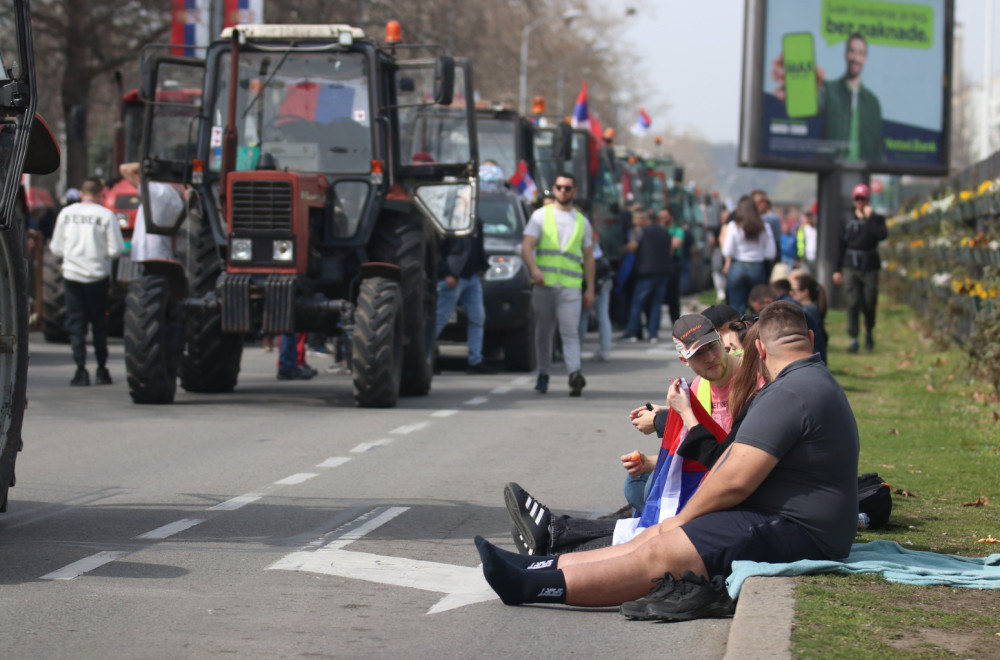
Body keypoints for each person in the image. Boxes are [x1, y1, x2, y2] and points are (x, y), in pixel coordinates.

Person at [475, 301, 859, 620]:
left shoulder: (788, 393)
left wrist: (685, 518)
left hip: (799, 530)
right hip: (796, 522)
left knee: (664, 551)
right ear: (809, 339)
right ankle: (532, 567)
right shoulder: (809, 381)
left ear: (759, 350)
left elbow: (734, 478)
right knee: (656, 535)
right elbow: (731, 466)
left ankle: (530, 585)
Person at [506, 313, 742, 556]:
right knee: (639, 488)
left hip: (732, 487)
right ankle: (555, 536)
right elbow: (705, 449)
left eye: (713, 347)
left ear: (721, 341)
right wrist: (660, 441)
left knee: (658, 517)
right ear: (685, 360)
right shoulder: (698, 386)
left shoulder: (750, 378)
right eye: (699, 354)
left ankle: (554, 540)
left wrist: (680, 414)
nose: (711, 358)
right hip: (713, 478)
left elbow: (723, 459)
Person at [522, 172, 595, 396]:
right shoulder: (540, 216)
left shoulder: (582, 221)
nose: (563, 191)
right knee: (543, 333)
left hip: (570, 286)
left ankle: (575, 374)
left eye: (567, 188)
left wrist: (590, 288)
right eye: (559, 187)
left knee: (569, 332)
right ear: (554, 189)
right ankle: (543, 373)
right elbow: (526, 247)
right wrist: (534, 269)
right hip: (544, 285)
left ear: (574, 191)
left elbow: (589, 257)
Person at [49, 177, 125, 386]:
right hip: (97, 276)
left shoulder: (66, 214)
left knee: (76, 322)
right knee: (99, 323)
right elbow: (116, 249)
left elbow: (56, 248)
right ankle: (102, 369)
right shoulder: (106, 215)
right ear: (101, 194)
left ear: (82, 193)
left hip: (72, 275)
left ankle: (80, 369)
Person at [435, 207, 492, 374]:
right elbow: (437, 250)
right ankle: (425, 356)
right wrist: (445, 274)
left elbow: (478, 248)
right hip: (454, 278)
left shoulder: (476, 220)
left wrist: (481, 266)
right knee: (440, 317)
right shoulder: (448, 219)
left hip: (472, 277)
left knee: (477, 318)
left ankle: (475, 361)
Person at [833, 183, 887, 353]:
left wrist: (869, 219)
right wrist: (837, 269)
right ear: (853, 199)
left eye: (863, 199)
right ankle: (854, 337)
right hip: (850, 266)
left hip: (869, 266)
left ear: (868, 199)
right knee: (852, 302)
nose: (860, 202)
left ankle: (868, 331)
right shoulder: (846, 218)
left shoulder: (876, 219)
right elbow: (840, 244)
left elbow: (881, 235)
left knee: (869, 302)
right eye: (857, 199)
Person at [621, 209, 672, 343]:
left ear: (645, 219)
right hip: (663, 271)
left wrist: (623, 248)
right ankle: (653, 334)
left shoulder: (642, 231)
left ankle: (632, 332)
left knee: (637, 302)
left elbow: (633, 247)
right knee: (656, 304)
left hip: (646, 272)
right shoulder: (664, 231)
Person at [721, 195, 775, 315]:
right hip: (757, 267)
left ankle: (737, 332)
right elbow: (771, 253)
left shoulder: (734, 226)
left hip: (737, 267)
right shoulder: (764, 227)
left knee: (735, 309)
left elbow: (727, 251)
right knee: (758, 309)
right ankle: (755, 332)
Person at [797, 208, 818, 274]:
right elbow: (800, 242)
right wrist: (801, 255)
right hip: (806, 257)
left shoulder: (816, 228)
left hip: (816, 257)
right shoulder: (803, 229)